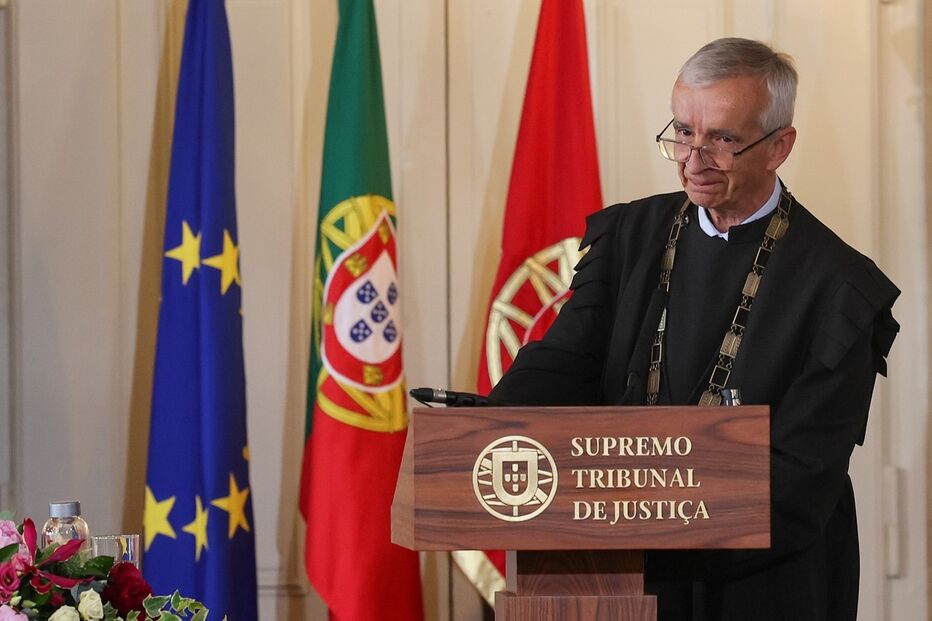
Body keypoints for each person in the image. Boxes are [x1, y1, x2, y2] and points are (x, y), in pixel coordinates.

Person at [488, 37, 900, 620]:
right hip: (612, 573)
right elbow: (563, 363)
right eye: (683, 132)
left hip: (764, 581)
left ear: (779, 146)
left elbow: (803, 476)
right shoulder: (629, 236)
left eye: (723, 139)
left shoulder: (840, 287)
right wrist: (482, 433)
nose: (693, 158)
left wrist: (638, 539)